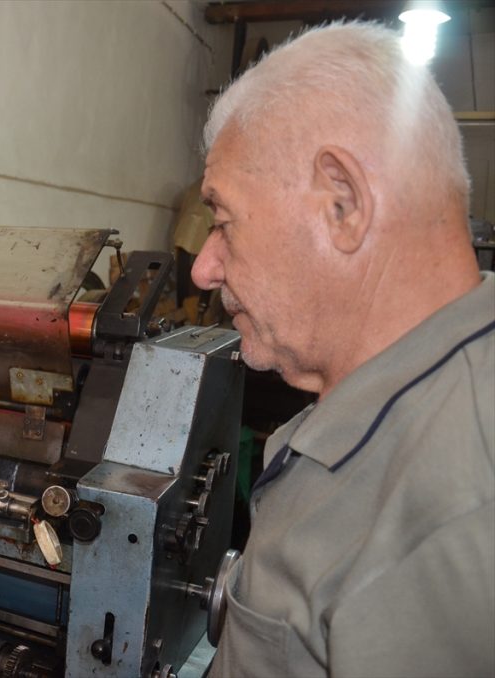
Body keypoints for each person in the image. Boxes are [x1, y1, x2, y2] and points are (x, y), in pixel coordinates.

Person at [191, 21, 495, 678]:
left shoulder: (456, 509)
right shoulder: (402, 400)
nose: (204, 268)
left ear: (343, 203)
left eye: (223, 221)